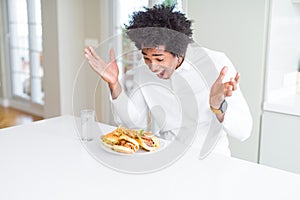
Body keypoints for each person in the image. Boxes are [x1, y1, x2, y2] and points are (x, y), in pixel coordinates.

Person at [84, 4, 252, 157]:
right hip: (167, 155)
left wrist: (218, 106)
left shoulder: (216, 65)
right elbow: (135, 124)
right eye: (146, 58)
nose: (153, 67)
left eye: (159, 58)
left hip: (213, 159)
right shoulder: (142, 74)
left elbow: (244, 131)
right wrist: (114, 84)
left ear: (178, 52)